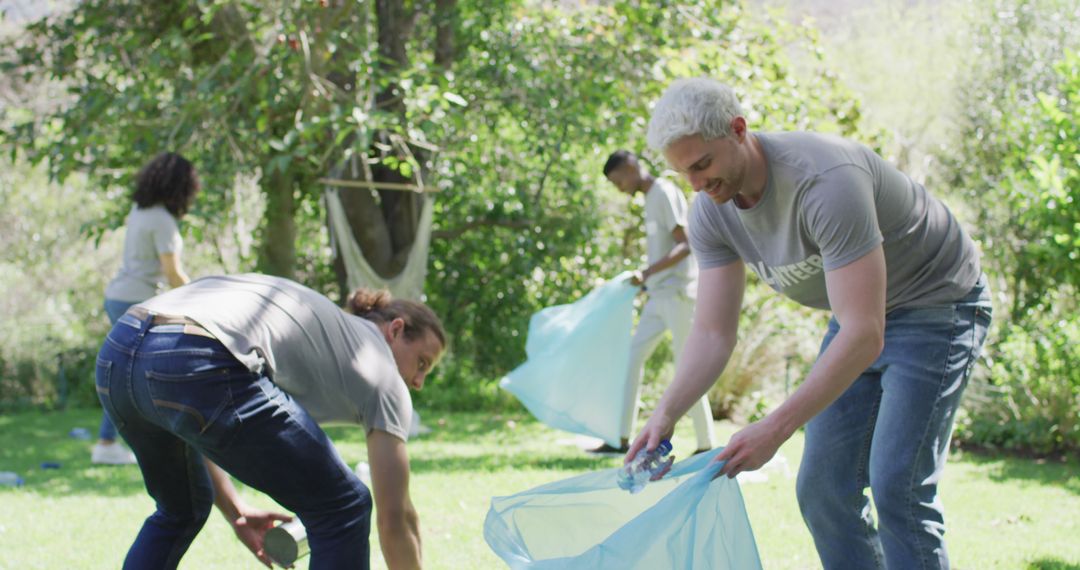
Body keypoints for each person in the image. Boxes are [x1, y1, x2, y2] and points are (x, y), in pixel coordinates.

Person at [627, 77, 992, 570]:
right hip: (859, 317)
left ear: (739, 130)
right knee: (823, 488)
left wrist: (774, 428)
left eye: (702, 165)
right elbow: (714, 332)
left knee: (897, 487)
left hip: (937, 304)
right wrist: (664, 414)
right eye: (682, 172)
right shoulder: (710, 213)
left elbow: (864, 332)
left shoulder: (824, 182)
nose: (695, 184)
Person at [96, 273, 446, 569]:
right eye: (421, 364)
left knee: (180, 509)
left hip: (119, 351)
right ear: (396, 330)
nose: (418, 383)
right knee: (343, 507)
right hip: (198, 353)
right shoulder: (384, 372)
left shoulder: (322, 332)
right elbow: (395, 517)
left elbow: (189, 408)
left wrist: (236, 512)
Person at [595, 150, 715, 455]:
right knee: (632, 359)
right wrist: (648, 282)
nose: (618, 187)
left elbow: (686, 244)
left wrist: (647, 272)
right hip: (658, 295)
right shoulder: (649, 200)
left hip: (678, 294)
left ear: (632, 167)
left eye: (618, 179)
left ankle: (705, 443)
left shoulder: (664, 192)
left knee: (687, 366)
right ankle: (620, 438)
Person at [95, 151, 199, 465]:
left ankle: (111, 442)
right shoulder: (162, 221)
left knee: (129, 375)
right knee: (134, 377)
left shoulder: (140, 211)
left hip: (121, 296)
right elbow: (173, 274)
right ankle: (107, 443)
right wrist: (201, 298)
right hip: (135, 301)